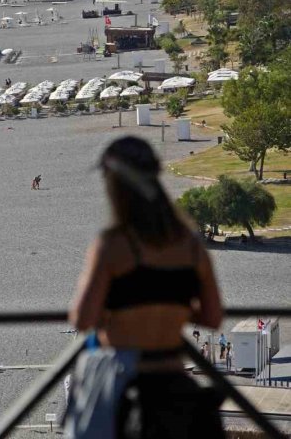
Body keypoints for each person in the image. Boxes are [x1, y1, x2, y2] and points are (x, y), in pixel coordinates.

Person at [67, 136, 224, 439]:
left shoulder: (112, 246)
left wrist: (121, 312)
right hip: (176, 387)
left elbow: (82, 319)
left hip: (124, 390)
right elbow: (213, 317)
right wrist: (171, 306)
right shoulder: (191, 246)